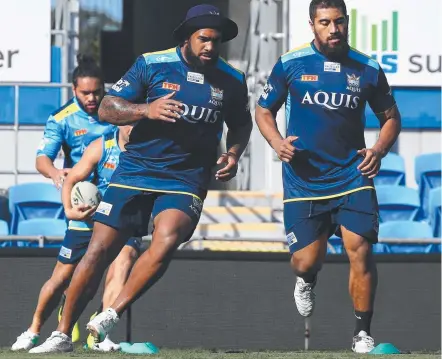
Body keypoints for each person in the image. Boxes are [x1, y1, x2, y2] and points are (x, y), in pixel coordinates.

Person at [31, 4, 252, 353]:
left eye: (216, 40)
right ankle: (61, 334)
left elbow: (241, 123)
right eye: (204, 39)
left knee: (165, 241)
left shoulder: (232, 79)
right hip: (135, 172)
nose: (210, 46)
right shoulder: (151, 64)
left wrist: (234, 154)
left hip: (185, 179)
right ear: (187, 37)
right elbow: (107, 107)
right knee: (98, 252)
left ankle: (109, 316)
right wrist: (145, 109)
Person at [254, 0, 401, 353]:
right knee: (307, 260)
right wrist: (277, 142)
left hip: (352, 174)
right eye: (325, 22)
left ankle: (362, 334)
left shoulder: (368, 68)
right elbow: (263, 110)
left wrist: (378, 150)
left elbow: (391, 118)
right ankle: (305, 279)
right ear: (312, 24)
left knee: (360, 250)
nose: (333, 29)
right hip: (304, 179)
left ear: (347, 22)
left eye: (338, 22)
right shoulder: (290, 63)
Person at [12, 125, 141, 353]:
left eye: (138, 121)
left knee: (124, 260)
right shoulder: (101, 146)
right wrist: (69, 210)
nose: (133, 127)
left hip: (122, 222)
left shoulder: (150, 150)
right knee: (61, 278)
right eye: (129, 121)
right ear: (120, 120)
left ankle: (100, 334)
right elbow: (70, 180)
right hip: (87, 220)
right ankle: (33, 331)